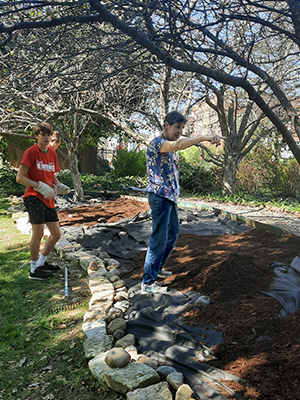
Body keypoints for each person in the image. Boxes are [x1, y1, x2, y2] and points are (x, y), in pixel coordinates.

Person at [141, 111, 225, 294]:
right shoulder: (157, 143)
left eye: (182, 128)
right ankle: (148, 283)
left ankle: (158, 268)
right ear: (166, 125)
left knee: (172, 234)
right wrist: (204, 137)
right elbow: (178, 145)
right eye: (177, 127)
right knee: (159, 238)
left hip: (169, 197)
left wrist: (210, 138)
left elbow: (180, 143)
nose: (180, 131)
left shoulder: (168, 144)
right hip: (159, 197)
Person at [16, 122, 69, 280]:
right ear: (36, 136)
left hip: (48, 197)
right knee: (38, 233)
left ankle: (41, 262)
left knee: (56, 234)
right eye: (43, 135)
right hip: (33, 197)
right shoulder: (31, 153)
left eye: (49, 135)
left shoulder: (52, 153)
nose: (46, 138)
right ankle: (33, 270)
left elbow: (51, 174)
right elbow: (20, 178)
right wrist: (39, 186)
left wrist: (58, 185)